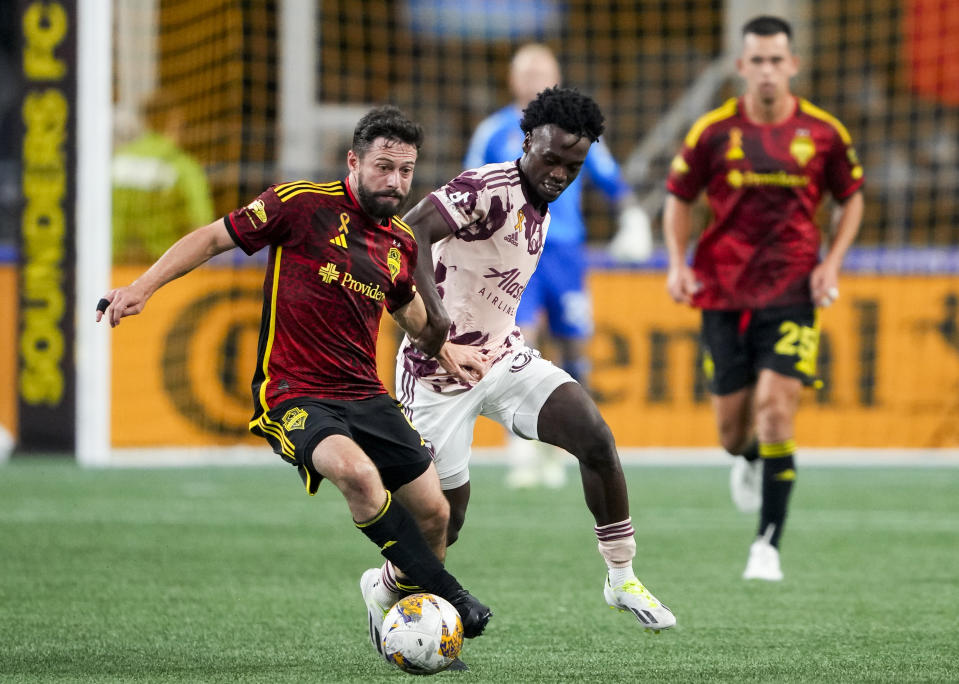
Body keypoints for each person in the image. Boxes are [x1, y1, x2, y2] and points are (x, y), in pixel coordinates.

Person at [95, 105, 493, 655]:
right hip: (294, 392)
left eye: (405, 171)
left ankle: (398, 614)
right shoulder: (299, 204)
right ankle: (451, 597)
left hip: (365, 394)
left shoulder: (399, 241)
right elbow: (213, 238)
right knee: (356, 474)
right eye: (383, 166)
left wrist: (444, 349)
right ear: (354, 161)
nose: (395, 181)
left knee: (434, 511)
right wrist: (142, 286)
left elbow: (409, 311)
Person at [366, 86, 676, 635]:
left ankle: (621, 575)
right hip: (436, 375)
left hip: (503, 360)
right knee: (445, 522)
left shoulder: (544, 205)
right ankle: (385, 587)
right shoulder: (485, 188)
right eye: (550, 158)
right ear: (527, 140)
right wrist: (438, 331)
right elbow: (408, 230)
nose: (559, 173)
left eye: (572, 165)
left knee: (594, 436)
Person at [663, 15, 864, 581]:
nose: (769, 70)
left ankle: (766, 546)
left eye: (778, 59)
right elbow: (679, 197)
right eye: (759, 60)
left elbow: (852, 198)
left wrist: (832, 262)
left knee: (778, 410)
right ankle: (748, 461)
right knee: (732, 435)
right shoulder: (712, 132)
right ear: (741, 66)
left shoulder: (824, 133)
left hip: (794, 290)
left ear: (793, 65)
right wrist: (677, 264)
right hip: (722, 292)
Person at [463, 43, 653, 489]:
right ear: (512, 80)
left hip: (564, 253)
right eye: (525, 71)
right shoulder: (493, 131)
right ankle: (521, 448)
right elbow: (469, 187)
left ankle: (561, 449)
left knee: (575, 347)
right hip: (511, 251)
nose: (532, 78)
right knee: (515, 342)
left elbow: (610, 179)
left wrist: (631, 215)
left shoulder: (576, 131)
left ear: (555, 76)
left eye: (541, 71)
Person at [111, 92, 215, 263]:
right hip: (160, 271)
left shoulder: (117, 160)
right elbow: (201, 224)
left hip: (113, 268)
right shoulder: (182, 165)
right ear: (174, 121)